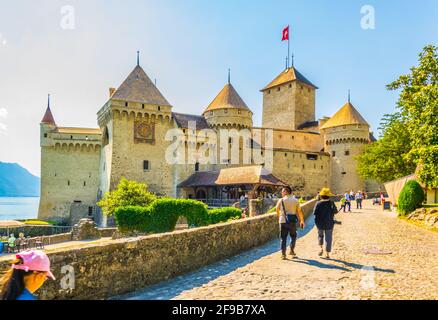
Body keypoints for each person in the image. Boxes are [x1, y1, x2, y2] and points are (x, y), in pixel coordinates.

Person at [276, 186, 305, 260]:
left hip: (283, 221)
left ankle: (283, 254)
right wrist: (302, 220)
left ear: (286, 191)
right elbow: (299, 211)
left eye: (282, 191)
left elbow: (277, 210)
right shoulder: (295, 200)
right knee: (293, 236)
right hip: (292, 221)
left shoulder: (281, 200)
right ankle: (291, 250)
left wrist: (280, 217)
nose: (282, 193)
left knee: (283, 238)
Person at [313, 188, 338, 259]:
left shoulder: (318, 203)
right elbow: (335, 211)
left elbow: (314, 213)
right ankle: (327, 254)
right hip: (329, 223)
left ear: (321, 196)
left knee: (320, 235)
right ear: (329, 196)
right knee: (328, 238)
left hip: (319, 223)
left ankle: (320, 248)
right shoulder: (331, 203)